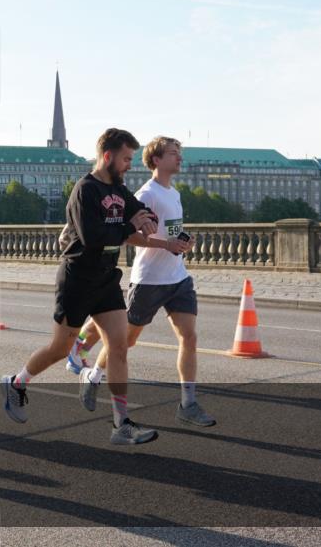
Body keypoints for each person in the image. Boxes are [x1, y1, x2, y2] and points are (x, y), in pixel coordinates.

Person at [0, 128, 161, 445]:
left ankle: (121, 425)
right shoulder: (85, 191)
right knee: (60, 349)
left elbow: (140, 211)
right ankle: (17, 382)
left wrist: (147, 218)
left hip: (106, 280)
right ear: (108, 156)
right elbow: (93, 238)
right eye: (126, 158)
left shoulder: (118, 188)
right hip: (78, 279)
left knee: (119, 347)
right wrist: (132, 223)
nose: (130, 164)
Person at [80, 137, 215, 427]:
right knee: (125, 341)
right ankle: (93, 376)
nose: (179, 158)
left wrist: (182, 242)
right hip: (150, 281)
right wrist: (165, 244)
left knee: (189, 337)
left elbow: (172, 232)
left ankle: (188, 403)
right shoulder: (146, 194)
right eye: (172, 154)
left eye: (179, 153)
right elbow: (136, 237)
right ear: (155, 160)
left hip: (178, 277)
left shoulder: (174, 194)